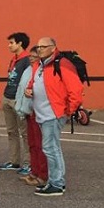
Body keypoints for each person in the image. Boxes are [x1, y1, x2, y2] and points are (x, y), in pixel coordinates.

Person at [24, 37, 84, 197]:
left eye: (43, 46)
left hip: (53, 114)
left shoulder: (62, 64)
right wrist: (28, 91)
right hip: (42, 114)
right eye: (38, 47)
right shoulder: (39, 65)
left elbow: (76, 90)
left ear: (53, 48)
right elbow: (32, 84)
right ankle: (54, 182)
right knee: (51, 148)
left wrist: (67, 111)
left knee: (51, 149)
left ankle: (57, 183)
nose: (40, 49)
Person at [14, 47, 48, 188]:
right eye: (31, 55)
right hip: (28, 111)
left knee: (40, 146)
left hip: (38, 111)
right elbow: (22, 88)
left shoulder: (42, 71)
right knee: (32, 144)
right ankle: (34, 172)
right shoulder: (29, 69)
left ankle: (42, 175)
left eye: (35, 56)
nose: (31, 58)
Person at [0, 32, 31, 173]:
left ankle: (28, 163)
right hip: (8, 97)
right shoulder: (14, 60)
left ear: (20, 44)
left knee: (25, 133)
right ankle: (14, 161)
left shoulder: (27, 60)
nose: (9, 45)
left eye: (12, 42)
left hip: (18, 100)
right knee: (11, 132)